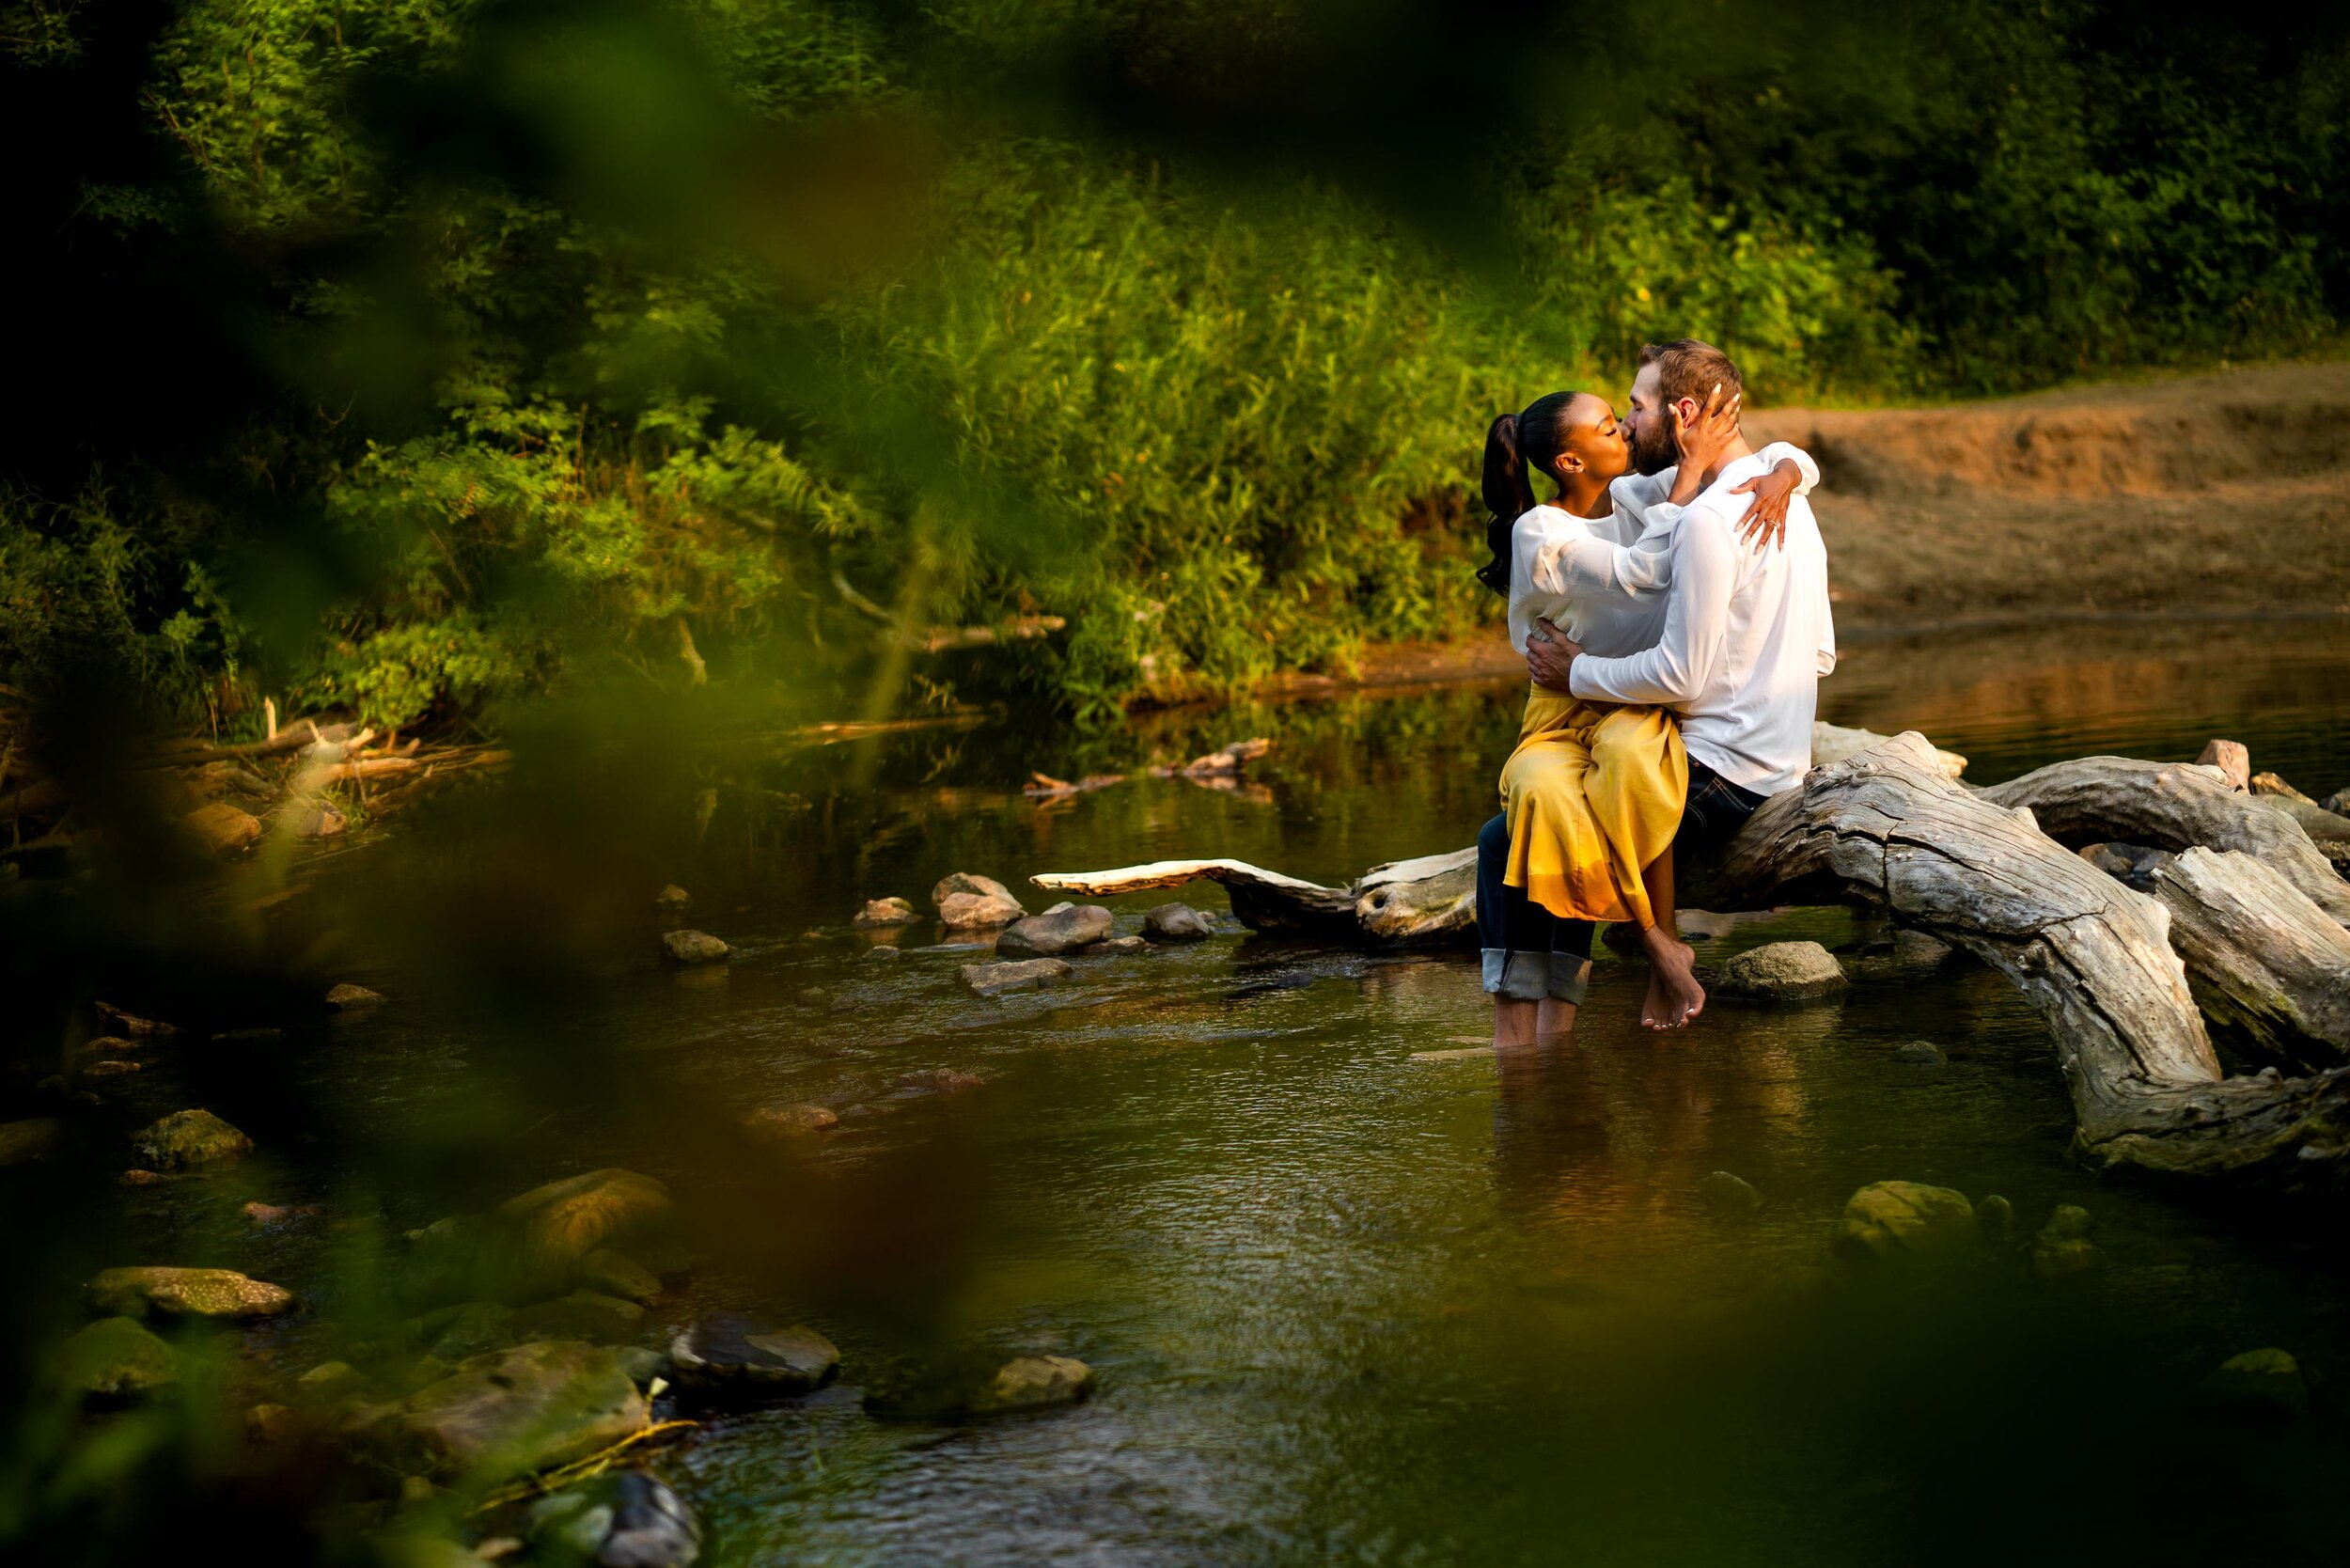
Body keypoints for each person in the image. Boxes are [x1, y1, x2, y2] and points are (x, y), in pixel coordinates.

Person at [1483, 338, 1836, 1043]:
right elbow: (1648, 569)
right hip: (1702, 732)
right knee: (1534, 816)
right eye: (1613, 422)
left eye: (1633, 410)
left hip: (1707, 746)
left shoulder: (1703, 510)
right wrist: (1765, 468)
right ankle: (1542, 1029)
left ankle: (1572, 1017)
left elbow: (1676, 669)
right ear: (1569, 461)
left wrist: (1789, 467)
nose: (1627, 424)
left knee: (1523, 833)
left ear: (1678, 413)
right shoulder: (1573, 522)